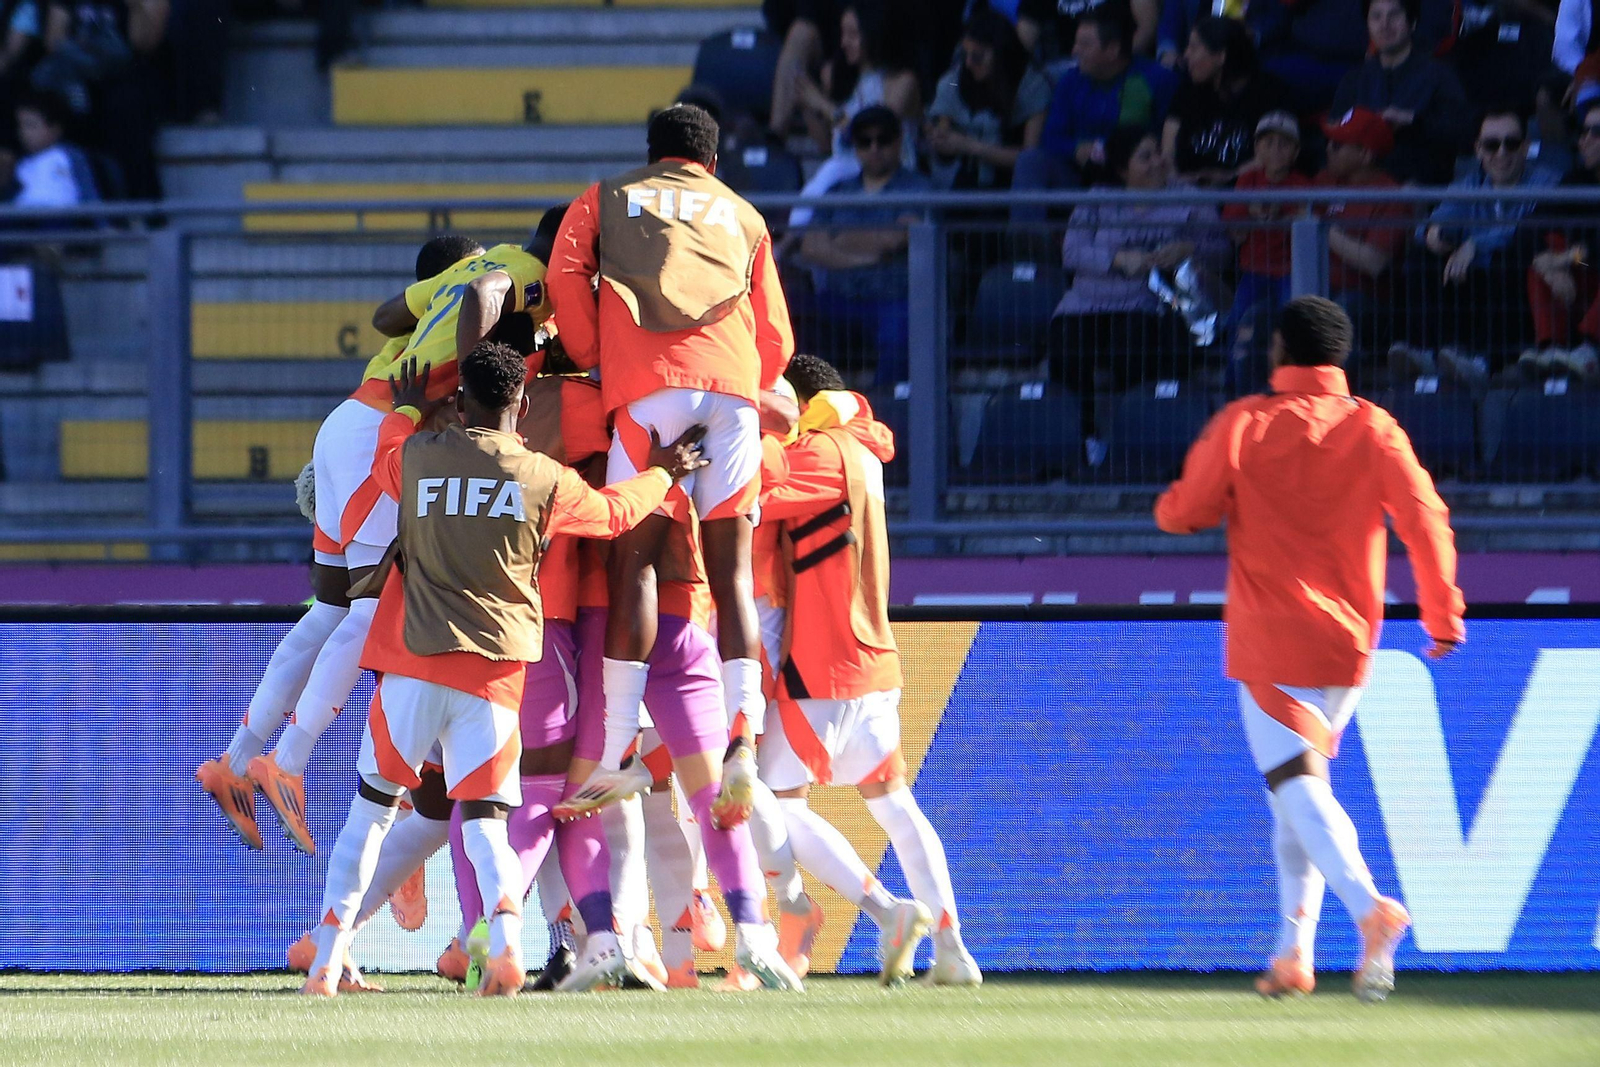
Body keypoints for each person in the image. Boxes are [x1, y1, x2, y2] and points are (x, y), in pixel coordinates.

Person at [299, 344, 708, 997]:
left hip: (410, 663)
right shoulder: (544, 477)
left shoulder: (417, 457)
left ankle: (326, 960)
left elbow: (386, 448)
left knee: (372, 812)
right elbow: (613, 515)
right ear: (521, 403)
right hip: (492, 676)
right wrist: (661, 473)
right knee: (488, 820)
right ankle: (508, 945)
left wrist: (408, 403)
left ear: (459, 401)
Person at [1154, 295, 1465, 1003]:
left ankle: (1370, 907)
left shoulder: (1246, 423)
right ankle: (1292, 950)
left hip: (1271, 638)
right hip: (1349, 645)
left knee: (1295, 789)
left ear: (1277, 351)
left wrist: (1174, 505)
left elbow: (1188, 511)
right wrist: (1443, 613)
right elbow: (1425, 519)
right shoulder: (1376, 428)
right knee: (1294, 796)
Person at [196, 233, 488, 854]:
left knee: (329, 611)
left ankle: (234, 760)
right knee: (371, 611)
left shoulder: (415, 325)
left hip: (343, 428)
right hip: (378, 434)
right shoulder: (467, 311)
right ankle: (290, 760)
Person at [547, 105, 794, 837]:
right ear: (712, 164)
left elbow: (567, 275)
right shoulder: (746, 216)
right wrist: (749, 376)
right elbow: (776, 338)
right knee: (733, 578)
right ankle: (743, 738)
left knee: (637, 565)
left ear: (652, 154)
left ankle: (620, 744)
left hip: (648, 391)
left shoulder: (605, 195)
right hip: (733, 394)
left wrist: (596, 348)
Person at [758, 354, 983, 987]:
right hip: (875, 662)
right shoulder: (862, 448)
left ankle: (886, 912)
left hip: (822, 665)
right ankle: (953, 949)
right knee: (898, 811)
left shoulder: (823, 451)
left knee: (772, 805)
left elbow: (748, 493)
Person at [1049, 126, 1221, 459]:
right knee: (1065, 341)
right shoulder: (1098, 198)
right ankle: (1084, 439)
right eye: (1146, 156)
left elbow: (1221, 249)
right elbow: (1071, 252)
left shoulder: (1186, 197)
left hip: (1149, 305)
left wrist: (1189, 247)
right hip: (1087, 303)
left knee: (1133, 341)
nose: (1158, 161)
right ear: (1122, 169)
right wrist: (1116, 258)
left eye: (1158, 152)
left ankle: (1133, 436)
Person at [1394, 108, 1562, 385]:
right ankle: (1427, 354)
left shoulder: (1548, 181)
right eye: (1492, 144)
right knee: (1421, 256)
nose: (1502, 152)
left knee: (1506, 257)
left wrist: (1475, 244)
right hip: (1469, 280)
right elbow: (1435, 222)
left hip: (1512, 281)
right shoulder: (1469, 183)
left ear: (1526, 146)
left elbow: (1527, 233)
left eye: (1512, 143)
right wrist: (1434, 235)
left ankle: (1483, 361)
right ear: (1478, 150)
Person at [799, 105, 930, 385]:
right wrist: (869, 255)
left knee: (900, 329)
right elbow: (811, 248)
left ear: (898, 142)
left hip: (890, 301)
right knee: (796, 314)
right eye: (864, 141)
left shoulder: (918, 188)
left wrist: (839, 239)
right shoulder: (837, 191)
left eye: (883, 140)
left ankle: (882, 415)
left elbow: (896, 239)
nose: (874, 148)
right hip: (838, 299)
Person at [1011, 5, 1177, 216]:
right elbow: (1050, 138)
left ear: (1112, 50)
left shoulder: (1158, 81)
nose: (1074, 51)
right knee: (1030, 160)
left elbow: (1169, 141)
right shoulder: (1070, 81)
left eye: (1085, 45)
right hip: (1079, 181)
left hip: (1134, 184)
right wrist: (1076, 149)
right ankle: (1028, 247)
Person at [787, 2, 921, 227]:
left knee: (832, 173)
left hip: (891, 179)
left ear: (874, 33)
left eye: (853, 34)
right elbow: (828, 147)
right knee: (832, 172)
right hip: (847, 183)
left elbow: (875, 128)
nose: (844, 43)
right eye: (842, 34)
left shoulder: (902, 82)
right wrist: (806, 105)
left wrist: (822, 105)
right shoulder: (838, 80)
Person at [1314, 108, 1410, 386]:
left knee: (1336, 316)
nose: (1329, 149)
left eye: (1338, 144)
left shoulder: (1391, 196)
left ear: (1366, 155)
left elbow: (1373, 261)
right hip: (1319, 292)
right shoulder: (1324, 181)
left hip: (1368, 303)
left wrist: (1322, 230)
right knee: (1261, 317)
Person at [1329, 0, 1473, 185]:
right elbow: (1334, 133)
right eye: (1376, 16)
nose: (1384, 24)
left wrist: (1413, 121)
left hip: (1420, 186)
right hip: (1361, 186)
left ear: (1412, 23)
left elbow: (1464, 133)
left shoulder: (1440, 75)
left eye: (1394, 15)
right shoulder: (1353, 80)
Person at [1220, 111, 1309, 391]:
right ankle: (1232, 389)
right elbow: (1235, 232)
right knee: (1237, 322)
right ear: (1257, 148)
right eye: (1267, 143)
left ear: (1295, 152)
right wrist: (1253, 214)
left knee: (1291, 325)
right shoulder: (1247, 181)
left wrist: (1280, 216)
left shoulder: (1302, 184)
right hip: (1255, 270)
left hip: (1288, 271)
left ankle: (1291, 386)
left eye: (1283, 145)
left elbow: (1306, 224)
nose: (1275, 150)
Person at [925, 4, 1052, 191]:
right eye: (964, 54)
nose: (968, 63)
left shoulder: (1032, 86)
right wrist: (939, 135)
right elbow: (945, 109)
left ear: (1001, 53)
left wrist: (970, 146)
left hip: (1014, 184)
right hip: (967, 180)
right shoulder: (956, 79)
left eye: (977, 56)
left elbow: (1029, 157)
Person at [1523, 97, 1600, 382]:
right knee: (1546, 247)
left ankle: (1591, 351)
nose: (1587, 139)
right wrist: (1549, 263)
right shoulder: (1577, 179)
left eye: (1597, 132)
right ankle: (1551, 351)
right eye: (1584, 131)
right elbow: (1530, 224)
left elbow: (1590, 249)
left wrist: (1570, 258)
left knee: (1556, 251)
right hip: (1585, 280)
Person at [1161, 16, 1287, 188]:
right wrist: (1179, 182)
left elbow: (1275, 154)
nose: (1186, 55)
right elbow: (1168, 150)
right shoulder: (1187, 90)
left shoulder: (1270, 93)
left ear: (1221, 56)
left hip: (1248, 194)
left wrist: (1229, 177)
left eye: (1194, 48)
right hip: (1186, 194)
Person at [1018, 0, 1159, 72]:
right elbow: (1022, 43)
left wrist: (1116, 59)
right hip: (1063, 68)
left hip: (1122, 60)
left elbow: (1146, 29)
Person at [9, 89, 95, 207]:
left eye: (31, 126)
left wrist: (101, 224)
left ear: (55, 129)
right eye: (21, 126)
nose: (24, 133)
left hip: (63, 220)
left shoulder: (70, 156)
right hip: (25, 220)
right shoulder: (22, 164)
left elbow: (89, 192)